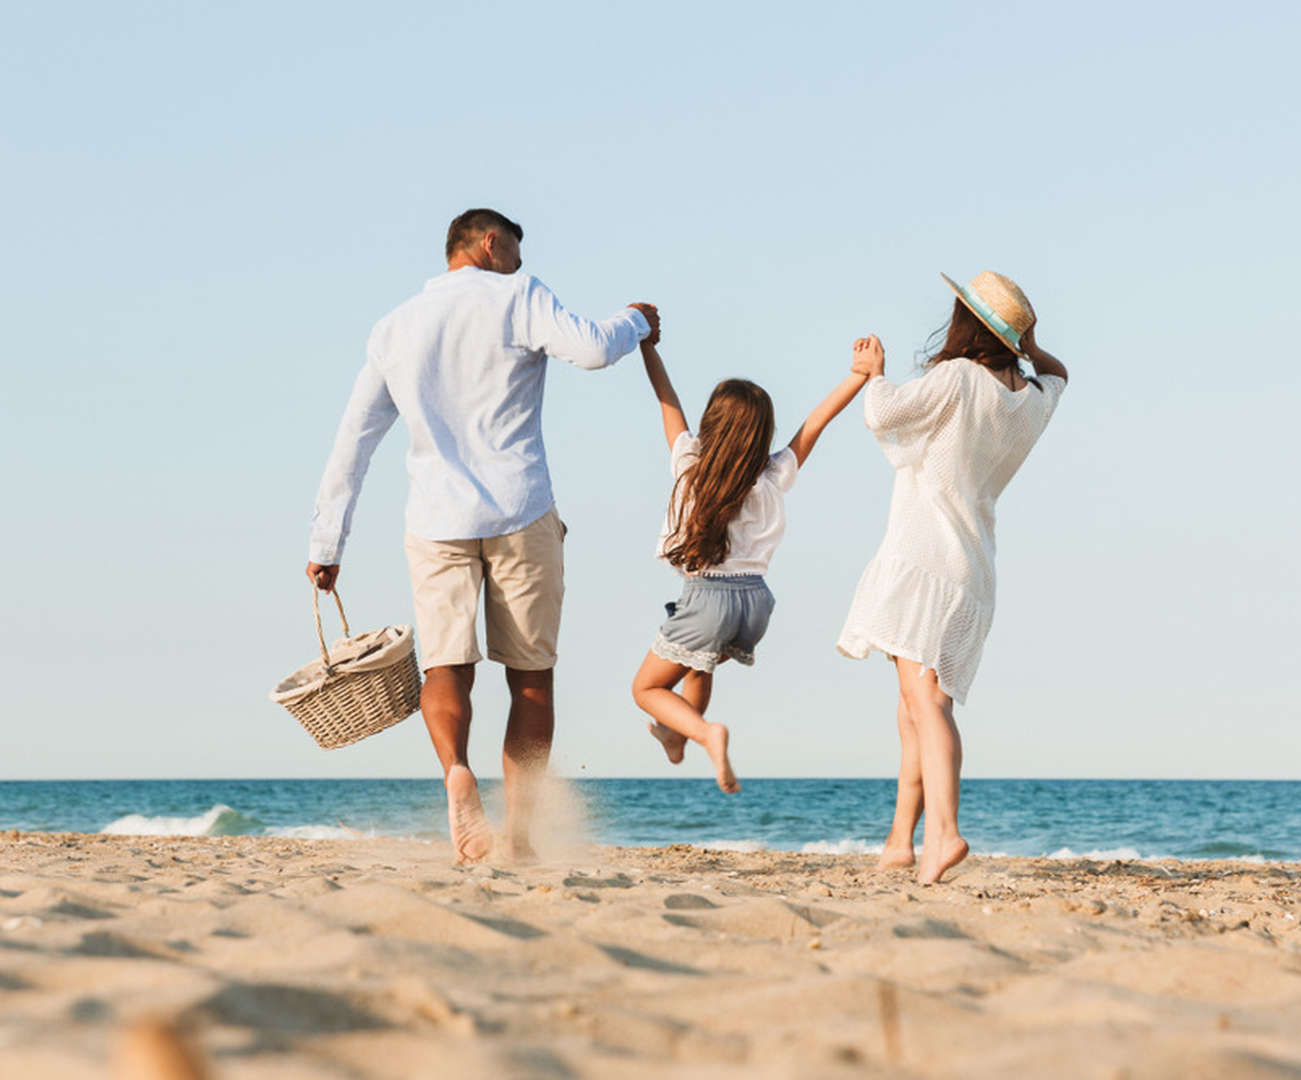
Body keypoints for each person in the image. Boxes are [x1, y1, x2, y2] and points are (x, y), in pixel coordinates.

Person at [304, 208, 660, 864]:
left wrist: (328, 543)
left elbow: (354, 438)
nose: (518, 267)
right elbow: (593, 348)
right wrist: (636, 320)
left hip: (435, 520)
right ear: (490, 244)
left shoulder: (395, 326)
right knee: (530, 678)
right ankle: (520, 838)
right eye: (515, 255)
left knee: (445, 667)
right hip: (520, 511)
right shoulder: (517, 295)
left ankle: (456, 774)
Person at [838, 270, 1068, 884]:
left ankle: (943, 834)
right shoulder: (1031, 400)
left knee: (926, 703)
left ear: (967, 323)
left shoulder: (958, 378)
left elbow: (880, 413)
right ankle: (898, 841)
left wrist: (873, 368)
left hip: (925, 559)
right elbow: (1061, 373)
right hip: (974, 570)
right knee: (913, 707)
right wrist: (1031, 345)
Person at [631, 338, 868, 793]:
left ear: (710, 424)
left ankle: (704, 733)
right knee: (698, 668)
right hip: (755, 603)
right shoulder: (773, 474)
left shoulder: (689, 463)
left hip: (708, 599)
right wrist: (857, 375)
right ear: (762, 435)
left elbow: (667, 399)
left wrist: (648, 349)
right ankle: (676, 738)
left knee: (646, 689)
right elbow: (815, 423)